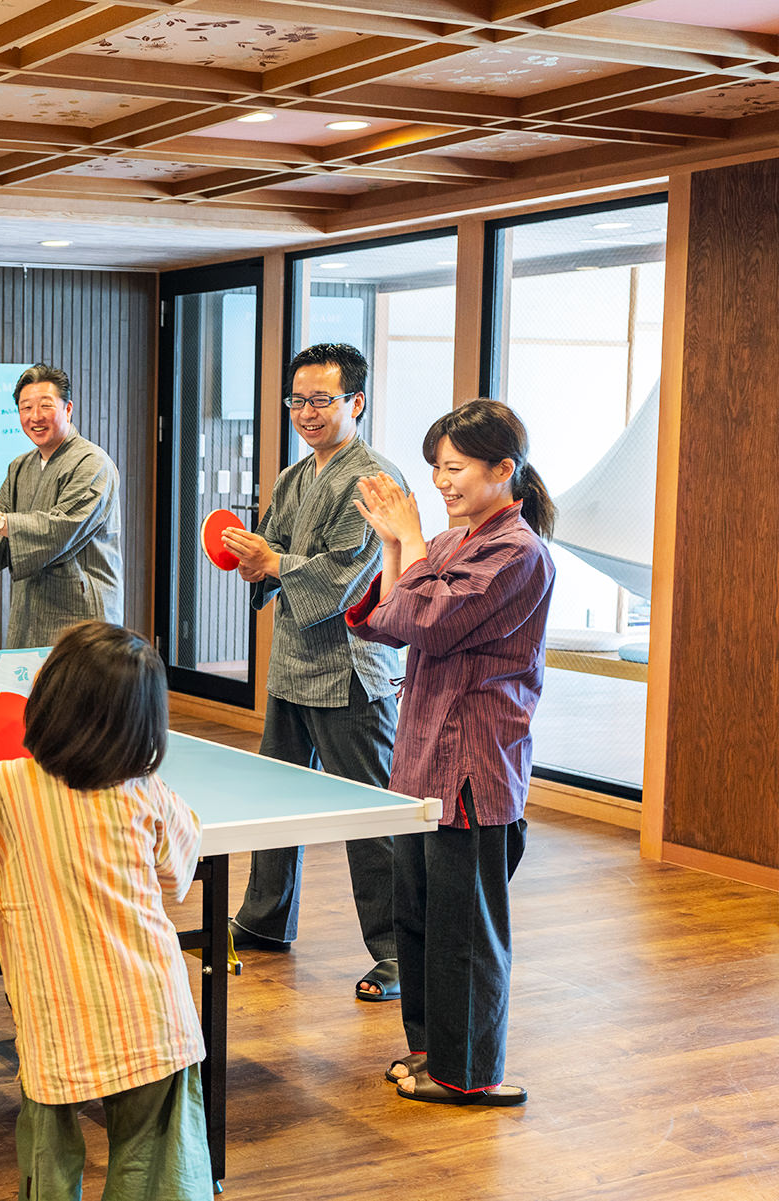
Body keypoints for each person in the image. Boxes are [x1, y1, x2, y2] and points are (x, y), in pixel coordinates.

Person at [0, 622, 214, 1200]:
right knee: (158, 1181)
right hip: (154, 1019)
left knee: (49, 1174)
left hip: (57, 1018)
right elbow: (177, 873)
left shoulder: (7, 786)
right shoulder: (146, 790)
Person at [347, 398, 554, 1107]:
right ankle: (431, 1051)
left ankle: (469, 1073)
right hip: (422, 759)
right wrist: (397, 546)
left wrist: (410, 540)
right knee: (420, 918)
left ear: (504, 469)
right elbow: (385, 623)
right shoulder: (454, 542)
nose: (441, 480)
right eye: (437, 466)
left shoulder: (517, 550)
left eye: (456, 467)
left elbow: (429, 621)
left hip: (473, 766)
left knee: (464, 931)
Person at [220, 343, 406, 1003]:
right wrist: (251, 561)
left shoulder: (375, 480)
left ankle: (396, 952)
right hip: (293, 664)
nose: (307, 412)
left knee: (370, 814)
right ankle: (267, 916)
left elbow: (338, 577)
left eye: (322, 399)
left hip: (352, 669)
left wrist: (273, 563)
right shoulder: (295, 476)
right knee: (273, 800)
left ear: (356, 402)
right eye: (298, 400)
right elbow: (271, 553)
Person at [0, 364, 123, 649]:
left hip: (81, 619)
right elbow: (0, 539)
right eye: (25, 407)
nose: (35, 417)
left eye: (45, 406)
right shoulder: (20, 467)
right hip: (30, 612)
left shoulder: (92, 463)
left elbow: (61, 529)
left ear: (68, 409)